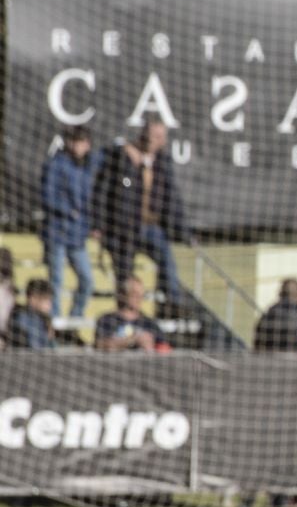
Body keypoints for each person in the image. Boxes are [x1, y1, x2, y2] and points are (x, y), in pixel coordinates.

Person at [94, 120, 189, 309]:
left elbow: (171, 196)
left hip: (150, 225)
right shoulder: (122, 158)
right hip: (125, 226)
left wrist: (184, 231)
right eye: (154, 136)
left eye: (161, 137)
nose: (158, 141)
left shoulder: (162, 162)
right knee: (124, 271)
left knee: (167, 260)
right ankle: (123, 309)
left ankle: (174, 305)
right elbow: (104, 192)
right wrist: (98, 225)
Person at [41, 124, 99, 320]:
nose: (82, 147)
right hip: (57, 233)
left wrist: (91, 225)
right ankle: (54, 324)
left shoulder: (86, 168)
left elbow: (87, 202)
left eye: (85, 143)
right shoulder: (55, 164)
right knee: (56, 281)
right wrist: (68, 211)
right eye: (78, 142)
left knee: (87, 280)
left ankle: (74, 319)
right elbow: (47, 197)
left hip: (77, 236)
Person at [93, 276, 169, 352]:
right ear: (123, 294)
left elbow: (165, 348)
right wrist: (132, 340)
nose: (139, 298)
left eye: (141, 294)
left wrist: (151, 346)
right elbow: (99, 345)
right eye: (134, 294)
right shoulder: (107, 320)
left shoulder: (149, 323)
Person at [253, 278, 297, 353]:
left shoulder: (267, 315)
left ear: (280, 292)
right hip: (295, 363)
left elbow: (257, 342)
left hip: (267, 361)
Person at [7, 278, 56, 351]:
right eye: (46, 299)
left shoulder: (43, 319)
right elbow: (34, 349)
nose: (50, 305)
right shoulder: (21, 320)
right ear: (33, 298)